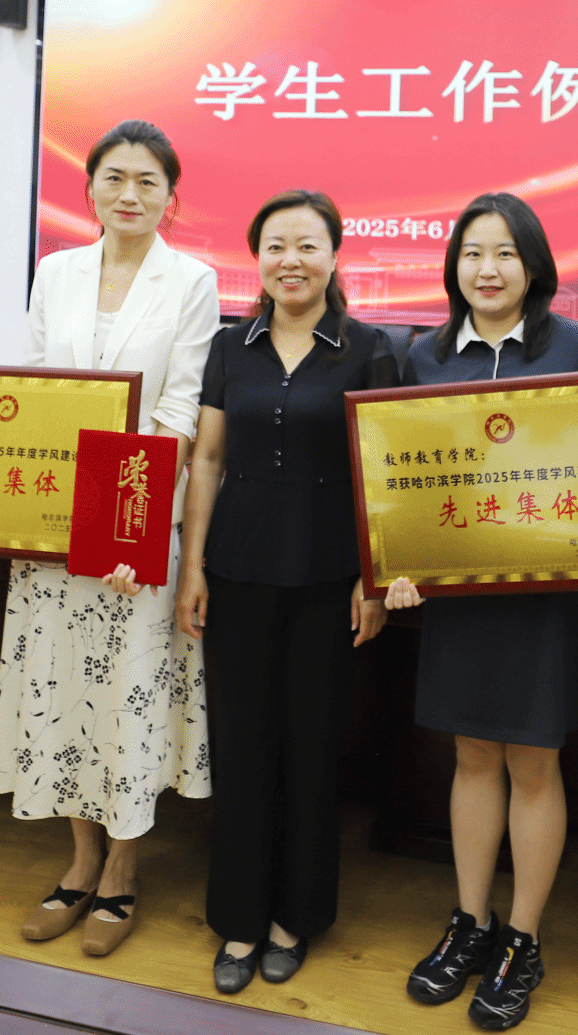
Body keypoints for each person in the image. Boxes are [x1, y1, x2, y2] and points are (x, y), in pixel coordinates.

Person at [0, 120, 217, 957]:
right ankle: (79, 860)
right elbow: (35, 392)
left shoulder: (193, 280)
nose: (128, 193)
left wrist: (124, 517)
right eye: (113, 177)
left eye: (146, 180)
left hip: (138, 526)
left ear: (171, 197)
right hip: (55, 525)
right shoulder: (57, 271)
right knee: (58, 686)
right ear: (90, 186)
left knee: (126, 697)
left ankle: (123, 870)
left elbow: (180, 409)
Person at [381, 192, 578, 1033]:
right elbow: (399, 476)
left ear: (534, 266)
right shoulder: (424, 355)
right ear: (454, 266)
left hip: (546, 595)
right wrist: (398, 562)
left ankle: (523, 939)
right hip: (463, 598)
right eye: (473, 254)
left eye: (505, 254)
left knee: (534, 763)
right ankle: (469, 922)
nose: (487, 269)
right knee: (473, 755)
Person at [176, 190, 398, 995]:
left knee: (310, 749)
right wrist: (192, 566)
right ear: (257, 258)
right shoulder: (229, 346)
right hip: (237, 569)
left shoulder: (369, 349)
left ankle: (293, 918)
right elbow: (207, 459)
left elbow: (384, 471)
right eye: (275, 245)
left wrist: (375, 578)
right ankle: (239, 916)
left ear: (335, 255)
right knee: (242, 749)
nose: (291, 260)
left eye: (307, 245)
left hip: (328, 576)